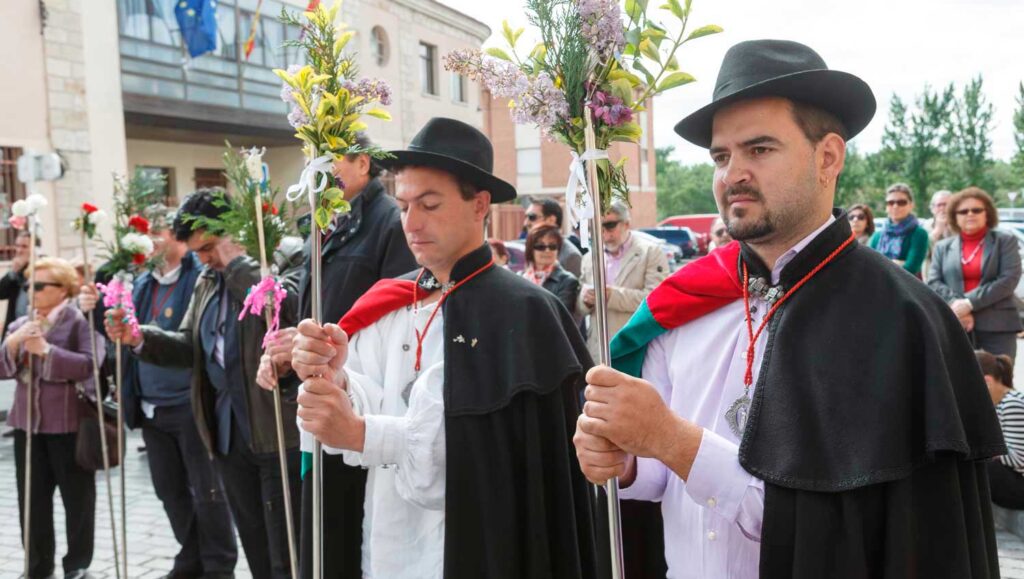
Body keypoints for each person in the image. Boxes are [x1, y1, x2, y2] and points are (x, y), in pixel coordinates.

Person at [573, 39, 1004, 578]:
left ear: (828, 158)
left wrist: (672, 439)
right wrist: (628, 460)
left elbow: (842, 531)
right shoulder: (684, 302)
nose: (732, 175)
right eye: (721, 156)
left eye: (760, 149)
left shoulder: (902, 321)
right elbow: (658, 478)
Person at [284, 117, 598, 578]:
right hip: (384, 545)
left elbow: (482, 459)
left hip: (481, 551)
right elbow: (367, 394)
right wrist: (334, 381)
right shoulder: (388, 303)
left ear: (480, 204)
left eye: (429, 204)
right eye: (404, 205)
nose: (411, 222)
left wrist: (360, 433)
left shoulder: (527, 313)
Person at [105, 189, 304, 579]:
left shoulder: (278, 261)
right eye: (197, 251)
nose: (204, 258)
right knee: (255, 543)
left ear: (232, 232)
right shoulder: (208, 281)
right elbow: (188, 346)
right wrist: (138, 337)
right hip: (227, 431)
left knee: (287, 549)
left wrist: (237, 263)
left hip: (273, 429)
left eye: (209, 247)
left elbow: (281, 307)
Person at [260, 133, 418, 579]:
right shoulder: (325, 223)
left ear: (363, 164)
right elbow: (313, 302)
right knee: (321, 535)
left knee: (346, 537)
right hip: (320, 393)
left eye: (330, 161)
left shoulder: (389, 222)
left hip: (363, 398)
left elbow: (398, 312)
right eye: (313, 160)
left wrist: (331, 349)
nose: (319, 172)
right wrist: (288, 346)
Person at [81, 205, 238, 578]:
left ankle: (218, 565)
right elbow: (120, 336)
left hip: (190, 404)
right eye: (143, 233)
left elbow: (191, 340)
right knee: (170, 492)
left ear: (177, 237)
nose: (149, 240)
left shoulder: (199, 275)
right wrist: (96, 310)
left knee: (208, 494)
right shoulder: (141, 281)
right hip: (150, 405)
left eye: (156, 232)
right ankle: (191, 555)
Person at [4, 257, 102, 579]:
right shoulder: (21, 323)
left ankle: (77, 564)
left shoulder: (79, 322)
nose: (32, 291)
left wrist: (47, 351)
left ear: (63, 290)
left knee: (78, 501)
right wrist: (13, 346)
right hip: (27, 427)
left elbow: (90, 366)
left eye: (40, 286)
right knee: (31, 501)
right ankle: (37, 565)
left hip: (69, 425)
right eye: (30, 285)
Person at [928, 187, 1022, 360]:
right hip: (955, 324)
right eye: (963, 211)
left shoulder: (1005, 241)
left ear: (988, 213)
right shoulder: (943, 247)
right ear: (954, 216)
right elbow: (933, 282)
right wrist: (958, 306)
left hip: (997, 326)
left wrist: (969, 303)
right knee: (958, 384)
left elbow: (1009, 279)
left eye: (976, 210)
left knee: (996, 383)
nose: (970, 214)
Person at [576, 200, 669, 361]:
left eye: (610, 225)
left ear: (626, 224)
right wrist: (586, 300)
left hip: (635, 346)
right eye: (597, 227)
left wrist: (612, 295)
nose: (604, 232)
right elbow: (578, 307)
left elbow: (656, 300)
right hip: (599, 351)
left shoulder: (650, 252)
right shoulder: (588, 259)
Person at [976, 350, 1024, 509]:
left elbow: (1019, 459)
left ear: (987, 381)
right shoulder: (1001, 403)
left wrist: (988, 448)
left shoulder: (1012, 403)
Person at [868, 183, 929, 276]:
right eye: (891, 203)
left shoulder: (919, 234)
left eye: (901, 202)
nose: (895, 206)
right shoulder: (877, 236)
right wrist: (896, 264)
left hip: (906, 288)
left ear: (911, 205)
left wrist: (880, 265)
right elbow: (867, 265)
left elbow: (911, 268)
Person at [521, 225, 580, 314]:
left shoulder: (568, 281)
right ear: (530, 249)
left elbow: (559, 316)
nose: (547, 250)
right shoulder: (520, 277)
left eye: (552, 246)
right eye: (540, 246)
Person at [523, 197, 583, 277]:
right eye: (540, 247)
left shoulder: (570, 256)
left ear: (551, 220)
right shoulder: (529, 249)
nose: (526, 223)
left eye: (532, 217)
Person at [0, 230, 41, 337]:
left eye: (24, 246)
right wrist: (12, 272)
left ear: (34, 249)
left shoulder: (43, 268)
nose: (19, 250)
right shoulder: (16, 270)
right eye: (17, 246)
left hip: (37, 328)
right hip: (15, 329)